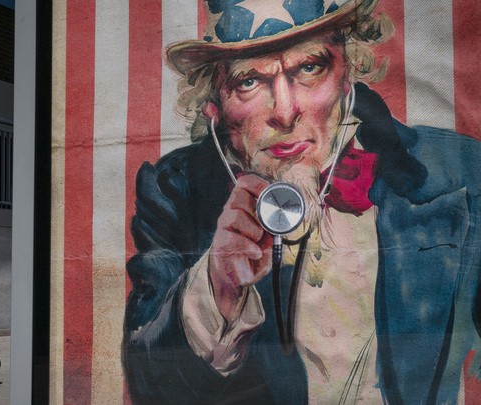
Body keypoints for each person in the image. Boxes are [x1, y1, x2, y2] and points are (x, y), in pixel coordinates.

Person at [122, 0, 481, 403]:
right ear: (213, 106)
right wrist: (217, 286)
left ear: (349, 71)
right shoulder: (174, 190)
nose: (286, 111)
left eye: (309, 68)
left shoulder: (459, 172)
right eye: (248, 82)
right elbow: (150, 383)